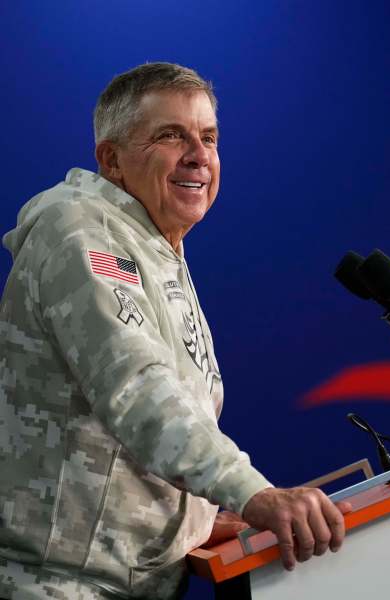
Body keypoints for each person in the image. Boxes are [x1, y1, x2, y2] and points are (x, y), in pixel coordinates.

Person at [0, 62, 349, 599]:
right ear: (111, 160)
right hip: (58, 586)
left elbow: (169, 416)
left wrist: (202, 518)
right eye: (171, 136)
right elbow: (139, 389)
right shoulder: (79, 229)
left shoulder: (154, 244)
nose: (198, 156)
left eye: (208, 138)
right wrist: (251, 494)